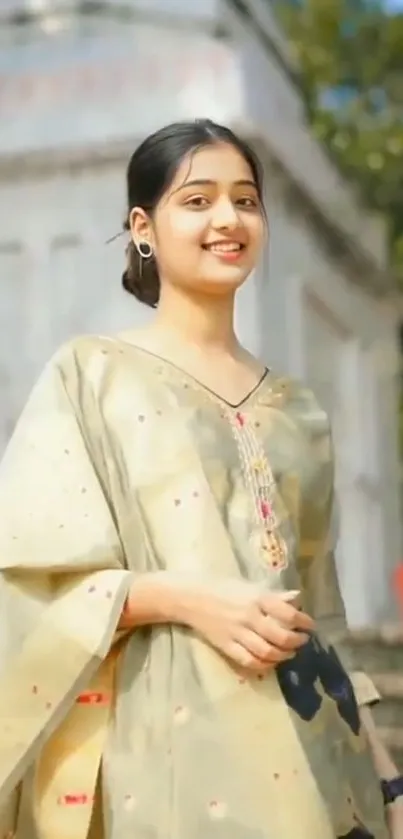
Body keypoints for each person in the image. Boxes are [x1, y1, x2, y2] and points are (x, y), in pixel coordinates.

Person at [0, 119, 402, 839]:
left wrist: (388, 778)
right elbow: (29, 582)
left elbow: (323, 615)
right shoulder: (91, 375)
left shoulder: (297, 408)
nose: (228, 218)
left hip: (313, 753)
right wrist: (183, 595)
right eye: (198, 199)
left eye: (246, 200)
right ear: (142, 225)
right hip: (162, 756)